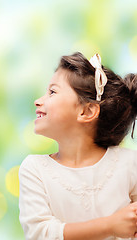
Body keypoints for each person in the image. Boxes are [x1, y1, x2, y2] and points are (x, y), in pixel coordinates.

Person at [19, 52, 137, 240]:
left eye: (52, 92)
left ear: (86, 111)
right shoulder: (35, 169)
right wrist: (110, 225)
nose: (38, 101)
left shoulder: (129, 164)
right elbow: (40, 233)